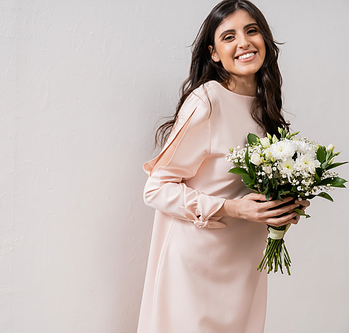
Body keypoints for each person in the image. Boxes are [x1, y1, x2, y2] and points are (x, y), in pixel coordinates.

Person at [137, 1, 310, 332]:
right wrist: (232, 208)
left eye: (251, 31)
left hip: (245, 265)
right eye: (229, 36)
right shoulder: (207, 101)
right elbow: (156, 189)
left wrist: (285, 204)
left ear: (265, 40)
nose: (243, 43)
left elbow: (255, 193)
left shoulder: (266, 107)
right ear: (214, 53)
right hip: (196, 267)